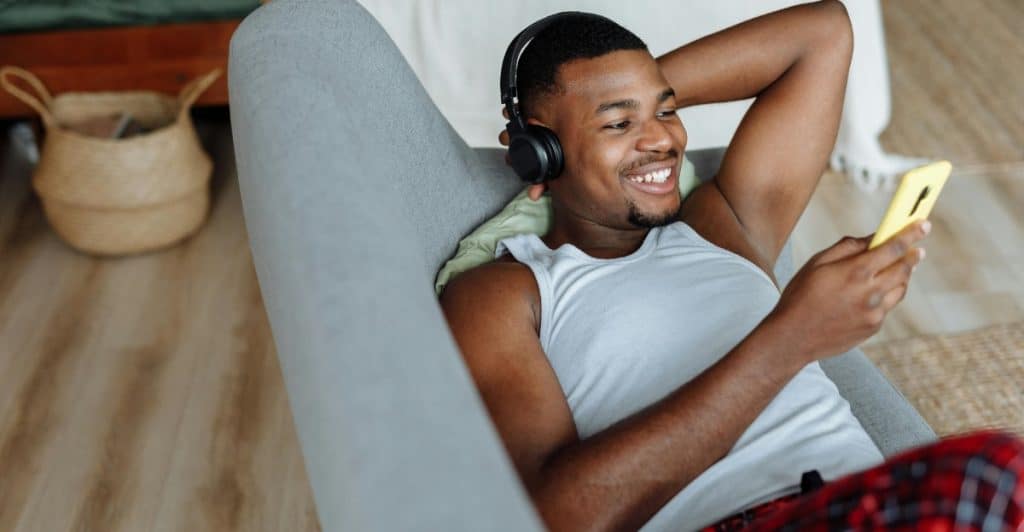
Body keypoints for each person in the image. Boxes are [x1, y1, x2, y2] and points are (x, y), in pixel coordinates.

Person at [439, 2, 1024, 530]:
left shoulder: (720, 224)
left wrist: (631, 96)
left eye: (666, 112)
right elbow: (554, 517)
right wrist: (789, 340)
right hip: (733, 521)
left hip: (872, 503)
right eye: (619, 124)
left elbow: (822, 33)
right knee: (996, 474)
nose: (663, 142)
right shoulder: (506, 293)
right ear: (538, 153)